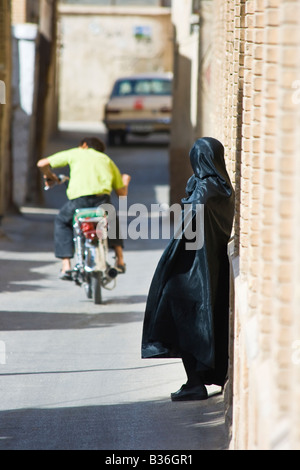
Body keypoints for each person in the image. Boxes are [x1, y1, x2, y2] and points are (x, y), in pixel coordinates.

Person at [141, 137, 235, 401]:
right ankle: (203, 378)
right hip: (212, 267)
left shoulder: (205, 188)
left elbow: (189, 225)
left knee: (181, 319)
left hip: (193, 268)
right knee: (205, 322)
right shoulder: (224, 187)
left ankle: (194, 383)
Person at [37, 136, 131, 279]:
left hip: (79, 202)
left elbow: (42, 163)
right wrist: (125, 180)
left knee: (62, 221)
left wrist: (49, 176)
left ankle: (66, 265)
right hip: (102, 201)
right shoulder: (106, 160)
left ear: (84, 145)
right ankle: (120, 259)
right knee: (111, 219)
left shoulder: (75, 152)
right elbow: (121, 193)